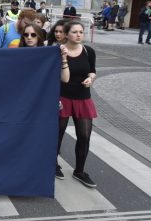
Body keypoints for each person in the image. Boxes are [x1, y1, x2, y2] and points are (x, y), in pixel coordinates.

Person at [57, 21, 97, 188]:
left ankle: (79, 171)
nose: (79, 35)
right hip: (62, 97)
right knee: (56, 135)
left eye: (81, 31)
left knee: (84, 136)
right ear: (66, 34)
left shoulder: (89, 51)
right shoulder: (58, 51)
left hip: (83, 98)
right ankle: (52, 164)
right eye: (75, 32)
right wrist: (64, 58)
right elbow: (59, 77)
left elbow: (92, 70)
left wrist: (91, 78)